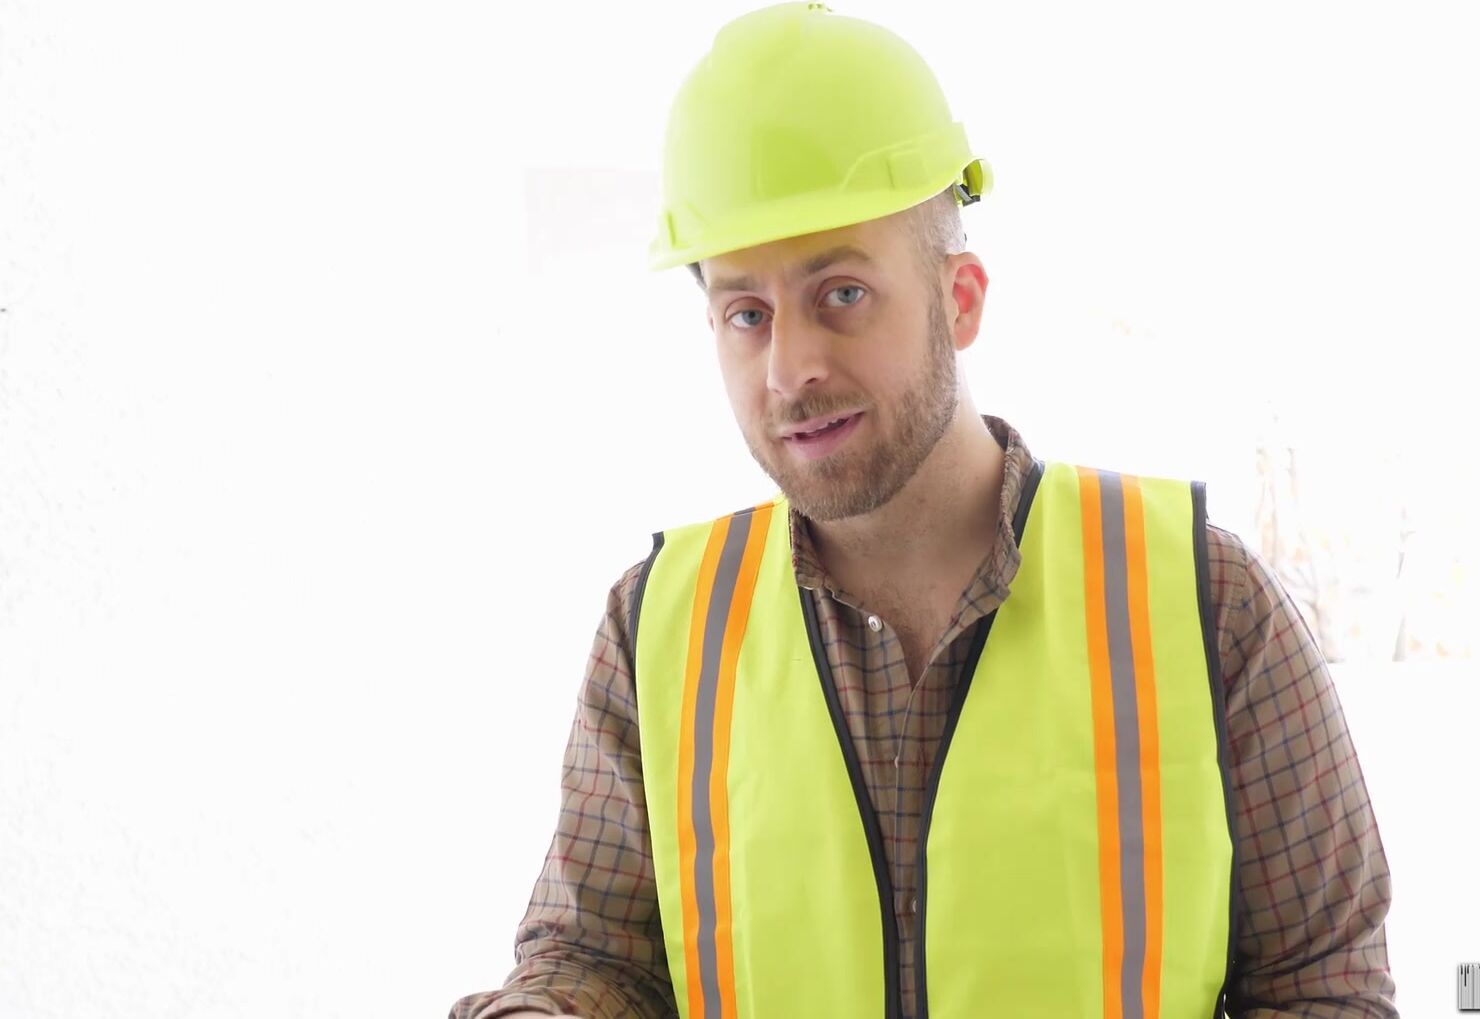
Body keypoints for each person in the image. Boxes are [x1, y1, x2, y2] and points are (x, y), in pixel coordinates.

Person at [450, 3, 1396, 1016]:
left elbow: (1323, 983)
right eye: (746, 313)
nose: (791, 368)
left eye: (842, 293)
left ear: (961, 297)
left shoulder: (1205, 603)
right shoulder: (657, 630)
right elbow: (594, 960)